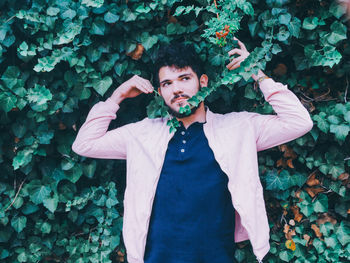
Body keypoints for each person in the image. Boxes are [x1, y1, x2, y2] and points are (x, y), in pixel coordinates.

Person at [72, 38, 313, 263]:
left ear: (203, 81)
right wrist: (118, 95)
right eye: (167, 83)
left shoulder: (239, 128)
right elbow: (84, 144)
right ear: (160, 92)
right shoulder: (142, 134)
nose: (176, 89)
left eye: (185, 78)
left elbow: (299, 122)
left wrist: (257, 75)